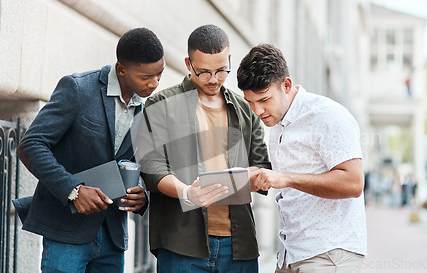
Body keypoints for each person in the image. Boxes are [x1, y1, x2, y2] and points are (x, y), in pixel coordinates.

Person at [16, 27, 164, 273]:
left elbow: (141, 163)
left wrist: (142, 196)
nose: (154, 83)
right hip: (67, 231)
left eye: (159, 74)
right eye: (146, 77)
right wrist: (73, 190)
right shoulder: (77, 89)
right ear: (121, 69)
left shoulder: (148, 109)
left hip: (113, 235)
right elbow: (31, 145)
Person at [136, 24, 271, 273]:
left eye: (221, 70)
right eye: (204, 71)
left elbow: (261, 165)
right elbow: (151, 166)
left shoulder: (245, 109)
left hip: (239, 247)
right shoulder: (161, 104)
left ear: (230, 59)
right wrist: (188, 193)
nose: (213, 79)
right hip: (181, 245)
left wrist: (252, 178)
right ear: (189, 64)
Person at [237, 43, 367, 273]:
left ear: (286, 85)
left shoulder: (328, 116)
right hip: (290, 255)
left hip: (329, 256)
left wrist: (285, 178)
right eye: (251, 102)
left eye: (264, 99)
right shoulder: (278, 121)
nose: (257, 111)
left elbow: (353, 183)